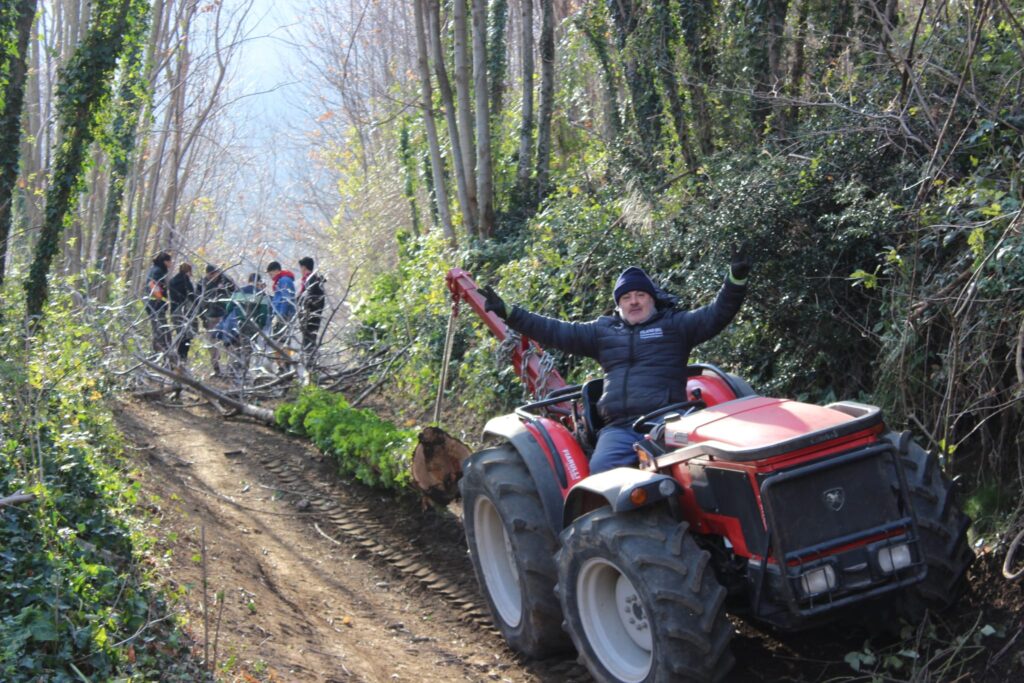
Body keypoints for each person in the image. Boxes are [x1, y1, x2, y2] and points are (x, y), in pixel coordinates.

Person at [480, 246, 751, 474]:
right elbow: (554, 330)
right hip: (618, 429)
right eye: (626, 297)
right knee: (600, 473)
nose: (634, 302)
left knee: (694, 469)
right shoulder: (602, 332)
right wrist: (509, 313)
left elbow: (717, 314)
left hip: (669, 422)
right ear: (618, 305)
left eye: (640, 295)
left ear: (652, 299)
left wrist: (735, 281)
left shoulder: (676, 326)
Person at [197, 264, 236, 375]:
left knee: (229, 343)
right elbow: (197, 301)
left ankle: (231, 368)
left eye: (215, 273)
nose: (213, 276)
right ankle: (216, 369)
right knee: (212, 344)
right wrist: (202, 317)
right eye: (210, 275)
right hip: (210, 317)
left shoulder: (227, 280)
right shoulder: (202, 283)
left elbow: (236, 295)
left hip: (225, 317)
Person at [167, 262, 197, 367]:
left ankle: (175, 359)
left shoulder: (171, 281)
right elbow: (192, 298)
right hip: (185, 313)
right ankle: (182, 359)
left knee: (179, 335)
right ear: (188, 271)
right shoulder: (186, 282)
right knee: (186, 337)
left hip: (174, 311)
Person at [144, 252, 173, 355]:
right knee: (163, 332)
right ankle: (159, 356)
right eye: (169, 261)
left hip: (152, 305)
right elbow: (152, 285)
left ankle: (157, 355)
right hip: (155, 306)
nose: (171, 264)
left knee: (158, 331)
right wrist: (160, 299)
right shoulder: (158, 271)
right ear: (165, 262)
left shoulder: (155, 270)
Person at [297, 256, 326, 358]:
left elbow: (309, 297)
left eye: (300, 268)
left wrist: (303, 308)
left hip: (310, 316)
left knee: (309, 341)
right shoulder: (315, 279)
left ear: (304, 267)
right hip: (314, 315)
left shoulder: (310, 279)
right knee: (310, 340)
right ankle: (310, 362)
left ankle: (310, 363)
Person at [265, 261, 296, 338]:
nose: (271, 277)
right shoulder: (281, 281)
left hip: (283, 315)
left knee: (279, 338)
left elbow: (286, 298)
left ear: (276, 271)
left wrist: (281, 314)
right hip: (280, 313)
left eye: (271, 274)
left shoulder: (284, 280)